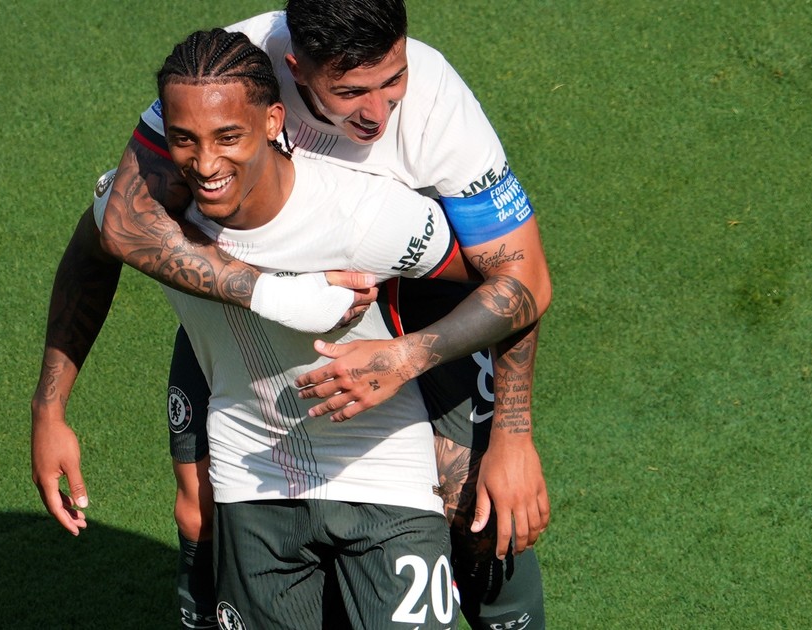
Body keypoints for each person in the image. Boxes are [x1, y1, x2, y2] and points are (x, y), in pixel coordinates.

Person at [31, 1, 552, 628]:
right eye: (350, 92)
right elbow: (120, 223)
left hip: (416, 290)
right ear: (294, 71)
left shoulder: (435, 107)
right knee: (200, 507)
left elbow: (520, 279)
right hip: (241, 306)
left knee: (480, 509)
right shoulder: (224, 74)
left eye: (393, 80)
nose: (379, 112)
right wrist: (279, 295)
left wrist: (509, 435)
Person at [163, 27, 472, 627]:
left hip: (387, 476)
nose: (205, 163)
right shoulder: (150, 217)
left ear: (273, 120)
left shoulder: (368, 216)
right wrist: (50, 409)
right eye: (184, 139)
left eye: (228, 136)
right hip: (253, 483)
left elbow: (508, 282)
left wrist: (412, 359)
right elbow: (93, 255)